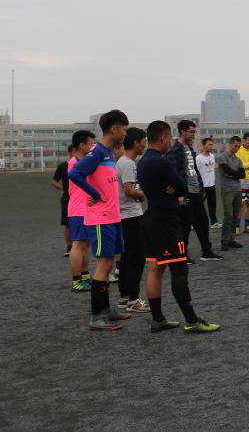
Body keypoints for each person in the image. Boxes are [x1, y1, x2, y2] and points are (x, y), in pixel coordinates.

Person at [137, 120, 220, 333]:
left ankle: (158, 319)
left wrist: (174, 187)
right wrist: (176, 187)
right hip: (166, 222)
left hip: (151, 218)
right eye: (169, 137)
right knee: (179, 270)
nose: (170, 141)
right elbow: (183, 186)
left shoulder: (143, 160)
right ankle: (192, 321)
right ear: (163, 137)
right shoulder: (161, 161)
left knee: (155, 269)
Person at [69, 109, 131, 330]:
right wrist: (94, 194)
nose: (125, 134)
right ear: (114, 129)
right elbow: (74, 174)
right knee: (104, 265)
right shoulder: (96, 152)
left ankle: (106, 310)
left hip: (113, 217)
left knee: (110, 263)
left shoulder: (108, 153)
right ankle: (97, 317)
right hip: (101, 218)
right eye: (124, 130)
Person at [168, 120, 221, 262]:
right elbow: (173, 174)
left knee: (203, 222)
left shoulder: (190, 148)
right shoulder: (175, 151)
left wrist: (201, 188)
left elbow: (194, 171)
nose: (193, 134)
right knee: (184, 226)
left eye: (194, 131)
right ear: (182, 131)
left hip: (196, 192)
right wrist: (179, 194)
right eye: (191, 132)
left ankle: (207, 252)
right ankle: (182, 255)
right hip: (185, 194)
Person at [115, 127, 149, 314]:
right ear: (136, 142)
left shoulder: (123, 162)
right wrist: (142, 194)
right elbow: (129, 190)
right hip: (131, 216)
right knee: (136, 258)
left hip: (126, 216)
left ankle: (124, 297)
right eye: (144, 141)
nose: (145, 144)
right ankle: (133, 300)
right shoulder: (127, 163)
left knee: (127, 258)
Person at [66, 130, 96, 292]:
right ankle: (76, 281)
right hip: (78, 209)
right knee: (78, 244)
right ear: (82, 145)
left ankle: (84, 276)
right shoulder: (74, 162)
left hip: (86, 209)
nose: (93, 146)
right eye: (91, 144)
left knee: (85, 244)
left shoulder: (82, 161)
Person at [216, 136, 246, 252]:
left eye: (239, 146)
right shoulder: (222, 157)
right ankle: (224, 241)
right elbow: (226, 170)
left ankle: (231, 239)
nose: (237, 148)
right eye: (236, 146)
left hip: (238, 190)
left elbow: (242, 174)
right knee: (228, 215)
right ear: (230, 144)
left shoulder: (238, 159)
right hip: (227, 190)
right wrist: (236, 174)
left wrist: (233, 174)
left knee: (235, 216)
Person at [51, 144, 73, 257]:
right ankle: (69, 247)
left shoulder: (84, 165)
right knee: (67, 224)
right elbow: (54, 181)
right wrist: (64, 188)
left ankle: (82, 245)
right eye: (73, 152)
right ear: (69, 153)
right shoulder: (63, 166)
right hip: (67, 199)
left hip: (82, 199)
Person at [196, 137, 219, 228]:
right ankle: (193, 222)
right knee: (198, 205)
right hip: (202, 186)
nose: (211, 146)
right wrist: (199, 186)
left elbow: (212, 168)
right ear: (203, 145)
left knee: (212, 205)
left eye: (212, 145)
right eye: (209, 144)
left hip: (211, 185)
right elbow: (196, 172)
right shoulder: (198, 158)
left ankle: (214, 222)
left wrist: (214, 177)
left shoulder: (212, 156)